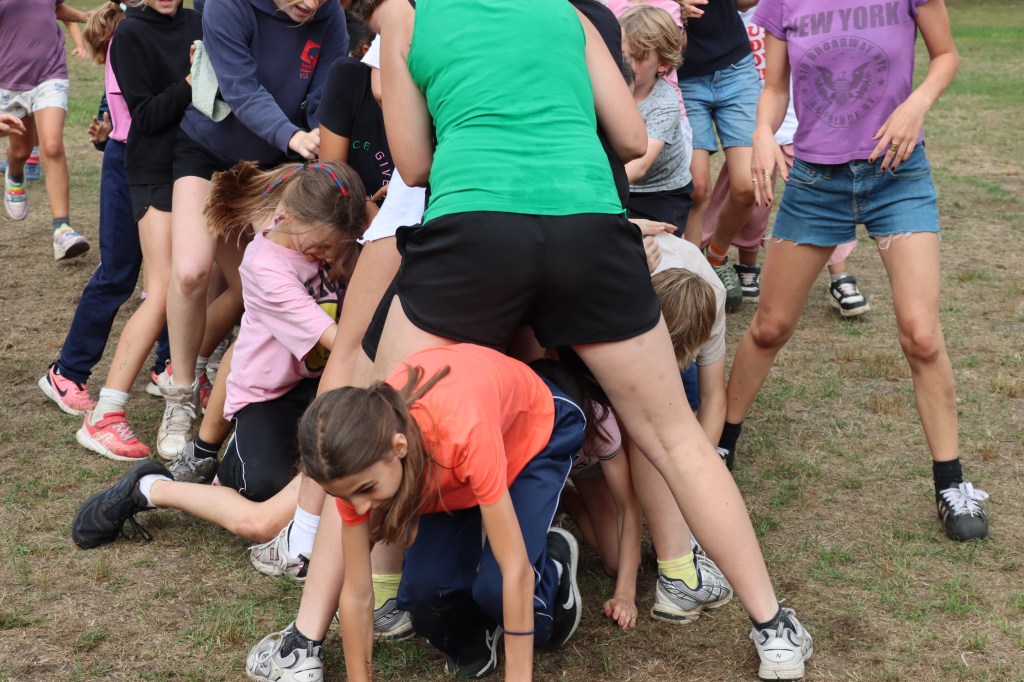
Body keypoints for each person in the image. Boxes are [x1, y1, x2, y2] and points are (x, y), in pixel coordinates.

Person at [367, 0, 812, 679]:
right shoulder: (567, 12)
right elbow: (631, 138)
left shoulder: (406, 14)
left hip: (476, 231)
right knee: (675, 437)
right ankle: (773, 625)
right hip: (586, 225)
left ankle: (332, 623)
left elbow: (414, 164)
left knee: (380, 419)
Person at [723, 0, 988, 543]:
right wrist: (762, 133)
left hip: (898, 173)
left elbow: (945, 55)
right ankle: (722, 444)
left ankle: (952, 483)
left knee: (921, 336)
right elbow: (775, 87)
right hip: (814, 183)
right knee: (770, 328)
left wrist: (916, 104)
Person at [71, 161, 368, 563]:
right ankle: (203, 476)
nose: (330, 255)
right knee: (263, 488)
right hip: (270, 395)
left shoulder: (320, 225)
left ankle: (210, 455)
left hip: (318, 381)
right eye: (322, 246)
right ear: (290, 216)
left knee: (332, 473)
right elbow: (342, 343)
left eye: (337, 246)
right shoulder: (266, 267)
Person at [308, 344, 587, 678]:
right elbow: (356, 594)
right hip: (462, 463)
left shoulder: (461, 430)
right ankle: (479, 631)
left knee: (502, 588)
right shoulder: (352, 472)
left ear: (399, 448)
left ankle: (553, 566)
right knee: (426, 596)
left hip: (532, 433)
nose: (359, 508)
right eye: (343, 496)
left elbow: (515, 571)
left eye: (367, 490)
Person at [159, 0, 348, 460]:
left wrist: (322, 141)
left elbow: (326, 94)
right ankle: (180, 395)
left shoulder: (329, 13)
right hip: (209, 150)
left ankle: (232, 378)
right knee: (191, 272)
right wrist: (292, 135)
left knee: (270, 278)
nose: (311, 5)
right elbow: (240, 89)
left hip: (275, 161)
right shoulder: (228, 6)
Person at [70, 0, 202, 461]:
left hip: (199, 163)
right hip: (154, 170)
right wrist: (192, 80)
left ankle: (184, 376)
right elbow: (145, 117)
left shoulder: (198, 22)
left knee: (214, 284)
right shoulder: (129, 34)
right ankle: (105, 414)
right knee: (163, 292)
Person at [39, 3, 168, 419]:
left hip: (168, 159)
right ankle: (67, 372)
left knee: (174, 273)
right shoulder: (128, 33)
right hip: (128, 160)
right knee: (118, 272)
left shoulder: (181, 24)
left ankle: (166, 365)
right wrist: (106, 130)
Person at [700, 7, 870, 315]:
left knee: (822, 198)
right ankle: (746, 266)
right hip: (754, 128)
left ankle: (841, 278)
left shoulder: (799, 11)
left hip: (798, 126)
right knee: (753, 200)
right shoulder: (731, 19)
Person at [677, 0, 761, 312]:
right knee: (696, 188)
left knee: (748, 185)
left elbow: (746, 4)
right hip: (684, 75)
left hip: (735, 69)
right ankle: (691, 284)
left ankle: (714, 258)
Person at [1, 0, 91, 260]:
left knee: (51, 146)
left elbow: (54, 7)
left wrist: (87, 17)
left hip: (50, 73)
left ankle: (62, 230)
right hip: (8, 81)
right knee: (22, 150)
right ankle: (15, 172)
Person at [618, 6, 694, 236]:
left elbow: (640, 165)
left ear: (663, 64)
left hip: (661, 195)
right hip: (619, 183)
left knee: (658, 249)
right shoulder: (608, 87)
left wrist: (597, 186)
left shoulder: (664, 103)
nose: (625, 63)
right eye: (621, 54)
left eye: (637, 58)